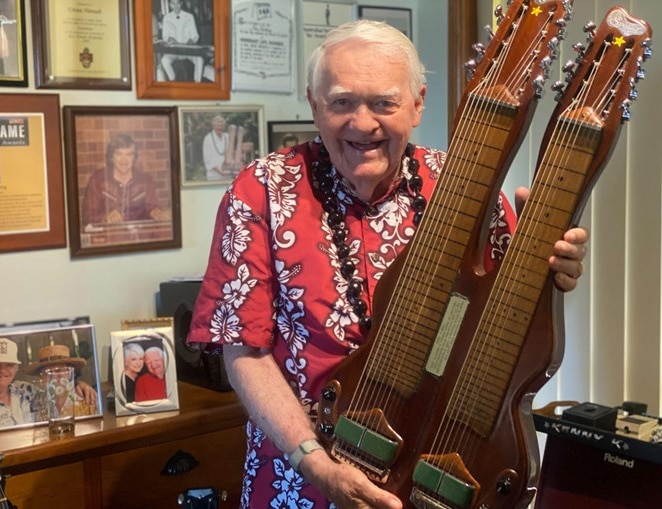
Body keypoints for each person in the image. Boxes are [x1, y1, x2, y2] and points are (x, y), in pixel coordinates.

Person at [187, 20, 589, 508]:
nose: (362, 123)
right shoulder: (262, 192)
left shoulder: (467, 190)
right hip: (300, 480)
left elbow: (507, 331)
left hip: (438, 481)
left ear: (417, 104)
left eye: (383, 102)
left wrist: (551, 273)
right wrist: (317, 464)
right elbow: (244, 352)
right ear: (315, 105)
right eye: (341, 102)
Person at [81, 133, 167, 228]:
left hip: (138, 236)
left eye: (129, 154)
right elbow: (88, 216)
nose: (124, 160)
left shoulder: (145, 180)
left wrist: (155, 212)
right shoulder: (98, 180)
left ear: (134, 157)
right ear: (111, 156)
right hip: (110, 237)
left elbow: (152, 207)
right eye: (119, 154)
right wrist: (106, 218)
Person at [24, 344, 99, 416]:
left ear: (69, 373)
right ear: (41, 377)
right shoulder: (32, 404)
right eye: (48, 372)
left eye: (59, 371)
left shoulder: (88, 399)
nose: (54, 376)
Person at [0, 337, 41, 428]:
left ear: (16, 368)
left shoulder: (28, 391)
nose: (2, 370)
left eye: (9, 365)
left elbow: (57, 407)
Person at [159, 0, 204, 82]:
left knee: (200, 59)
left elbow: (195, 36)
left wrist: (192, 40)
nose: (176, 6)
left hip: (188, 51)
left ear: (181, 3)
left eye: (178, 3)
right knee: (164, 60)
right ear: (169, 5)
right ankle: (173, 80)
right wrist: (169, 39)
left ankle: (197, 84)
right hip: (173, 52)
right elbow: (164, 37)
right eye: (173, 3)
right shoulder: (166, 18)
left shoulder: (189, 16)